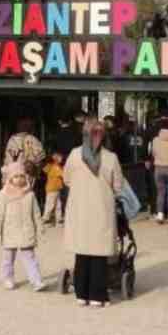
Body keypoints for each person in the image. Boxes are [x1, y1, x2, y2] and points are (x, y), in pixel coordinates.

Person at [63, 117, 123, 308]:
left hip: (80, 209)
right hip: (101, 210)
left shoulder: (74, 155)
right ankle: (98, 295)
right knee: (99, 255)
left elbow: (67, 179)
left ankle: (81, 293)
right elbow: (119, 186)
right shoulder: (111, 158)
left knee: (82, 252)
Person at [0, 162, 47, 291]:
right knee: (8, 258)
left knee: (30, 257)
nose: (19, 179)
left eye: (22, 176)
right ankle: (7, 278)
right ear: (10, 178)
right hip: (10, 231)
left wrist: (40, 226)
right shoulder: (3, 195)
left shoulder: (30, 194)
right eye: (16, 176)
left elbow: (36, 213)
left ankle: (36, 280)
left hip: (26, 231)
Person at [42, 152, 65, 226]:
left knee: (57, 204)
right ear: (56, 159)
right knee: (51, 204)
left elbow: (45, 169)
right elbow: (63, 174)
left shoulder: (52, 166)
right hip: (53, 189)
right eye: (60, 158)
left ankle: (58, 219)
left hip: (55, 188)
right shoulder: (56, 167)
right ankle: (46, 218)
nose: (62, 159)